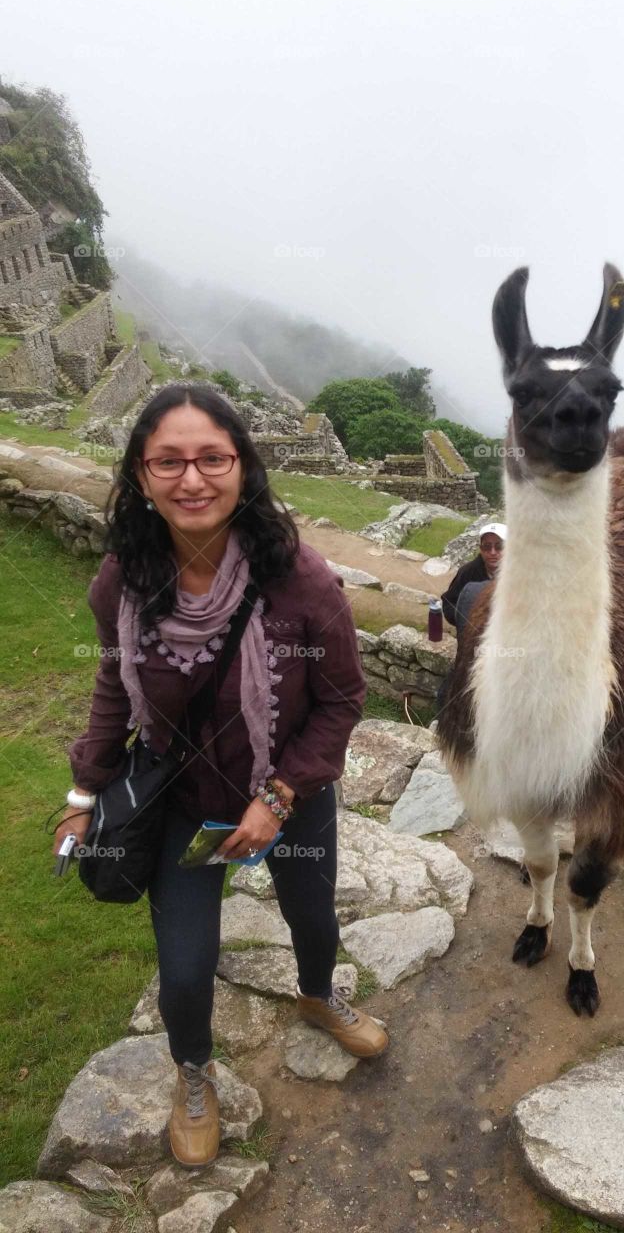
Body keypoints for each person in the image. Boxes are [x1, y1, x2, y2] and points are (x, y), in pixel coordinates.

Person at [53, 384, 387, 1170]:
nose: (191, 479)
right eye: (168, 461)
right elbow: (112, 687)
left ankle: (316, 995)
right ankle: (194, 1070)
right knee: (186, 963)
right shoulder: (123, 583)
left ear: (243, 468)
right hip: (185, 800)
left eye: (212, 458)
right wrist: (81, 794)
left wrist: (279, 796)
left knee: (313, 920)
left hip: (290, 797)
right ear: (140, 476)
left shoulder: (299, 579)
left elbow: (341, 701)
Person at [441, 523, 507, 633]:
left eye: (499, 547)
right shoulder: (467, 572)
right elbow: (448, 603)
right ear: (481, 549)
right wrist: (468, 620)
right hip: (472, 638)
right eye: (487, 546)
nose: (492, 552)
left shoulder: (518, 576)